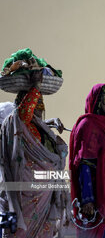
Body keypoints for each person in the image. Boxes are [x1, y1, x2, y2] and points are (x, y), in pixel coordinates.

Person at [0, 73, 69, 237]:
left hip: (45, 197)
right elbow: (22, 117)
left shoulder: (40, 128)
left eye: (40, 107)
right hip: (24, 196)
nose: (38, 111)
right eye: (35, 105)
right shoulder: (14, 123)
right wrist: (36, 85)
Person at [69, 83, 105, 238]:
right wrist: (87, 199)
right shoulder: (87, 125)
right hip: (96, 196)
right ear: (97, 100)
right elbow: (84, 163)